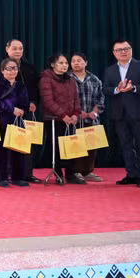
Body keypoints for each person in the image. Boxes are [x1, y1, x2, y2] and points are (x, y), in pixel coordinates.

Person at [103, 38, 140, 188]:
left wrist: (133, 88)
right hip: (119, 113)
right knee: (126, 145)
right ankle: (132, 174)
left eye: (126, 49)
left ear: (131, 50)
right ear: (114, 53)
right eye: (119, 50)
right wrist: (117, 89)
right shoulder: (110, 70)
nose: (123, 52)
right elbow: (105, 89)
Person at [1, 39, 42, 184]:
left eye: (20, 48)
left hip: (27, 111)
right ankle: (8, 173)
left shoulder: (29, 68)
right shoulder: (0, 66)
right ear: (7, 49)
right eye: (14, 48)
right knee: (9, 142)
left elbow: (36, 88)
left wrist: (33, 102)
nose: (18, 51)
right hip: (8, 111)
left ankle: (27, 173)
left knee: (27, 142)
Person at [39, 53, 83, 185]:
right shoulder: (45, 79)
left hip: (71, 119)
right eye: (61, 63)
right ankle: (58, 173)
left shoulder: (71, 79)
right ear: (53, 64)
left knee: (72, 147)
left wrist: (76, 114)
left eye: (66, 63)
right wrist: (63, 115)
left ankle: (71, 174)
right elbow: (48, 101)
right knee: (56, 148)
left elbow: (76, 99)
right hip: (54, 119)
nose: (64, 66)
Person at [0, 58, 30, 187]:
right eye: (9, 68)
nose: (12, 71)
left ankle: (17, 177)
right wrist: (12, 109)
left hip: (17, 120)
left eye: (15, 68)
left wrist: (23, 110)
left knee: (18, 148)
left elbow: (25, 102)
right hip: (2, 120)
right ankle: (0, 177)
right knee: (0, 150)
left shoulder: (21, 85)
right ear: (2, 70)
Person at [70, 52, 105, 183]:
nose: (76, 63)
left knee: (91, 147)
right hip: (75, 119)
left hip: (92, 119)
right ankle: (75, 172)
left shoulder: (94, 79)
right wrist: (78, 112)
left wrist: (94, 112)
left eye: (79, 60)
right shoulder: (67, 78)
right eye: (73, 61)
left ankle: (88, 172)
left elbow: (101, 98)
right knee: (76, 146)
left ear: (86, 63)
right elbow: (66, 99)